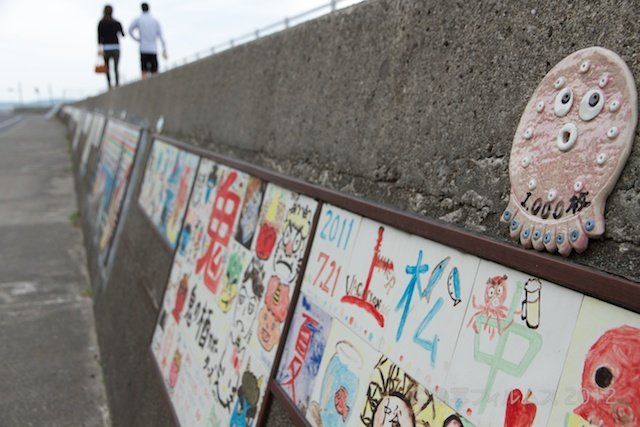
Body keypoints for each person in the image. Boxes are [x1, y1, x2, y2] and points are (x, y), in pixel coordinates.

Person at [128, 3, 167, 78]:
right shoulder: (154, 20)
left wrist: (137, 39)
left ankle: (145, 84)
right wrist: (164, 48)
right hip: (153, 48)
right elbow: (160, 35)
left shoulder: (139, 19)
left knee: (144, 70)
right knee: (154, 71)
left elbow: (130, 30)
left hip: (143, 47)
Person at [97, 5, 125, 88]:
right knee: (116, 67)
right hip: (116, 47)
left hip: (106, 48)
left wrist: (100, 49)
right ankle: (117, 84)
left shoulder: (101, 23)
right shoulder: (117, 22)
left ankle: (109, 84)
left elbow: (99, 37)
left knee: (107, 67)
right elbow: (122, 34)